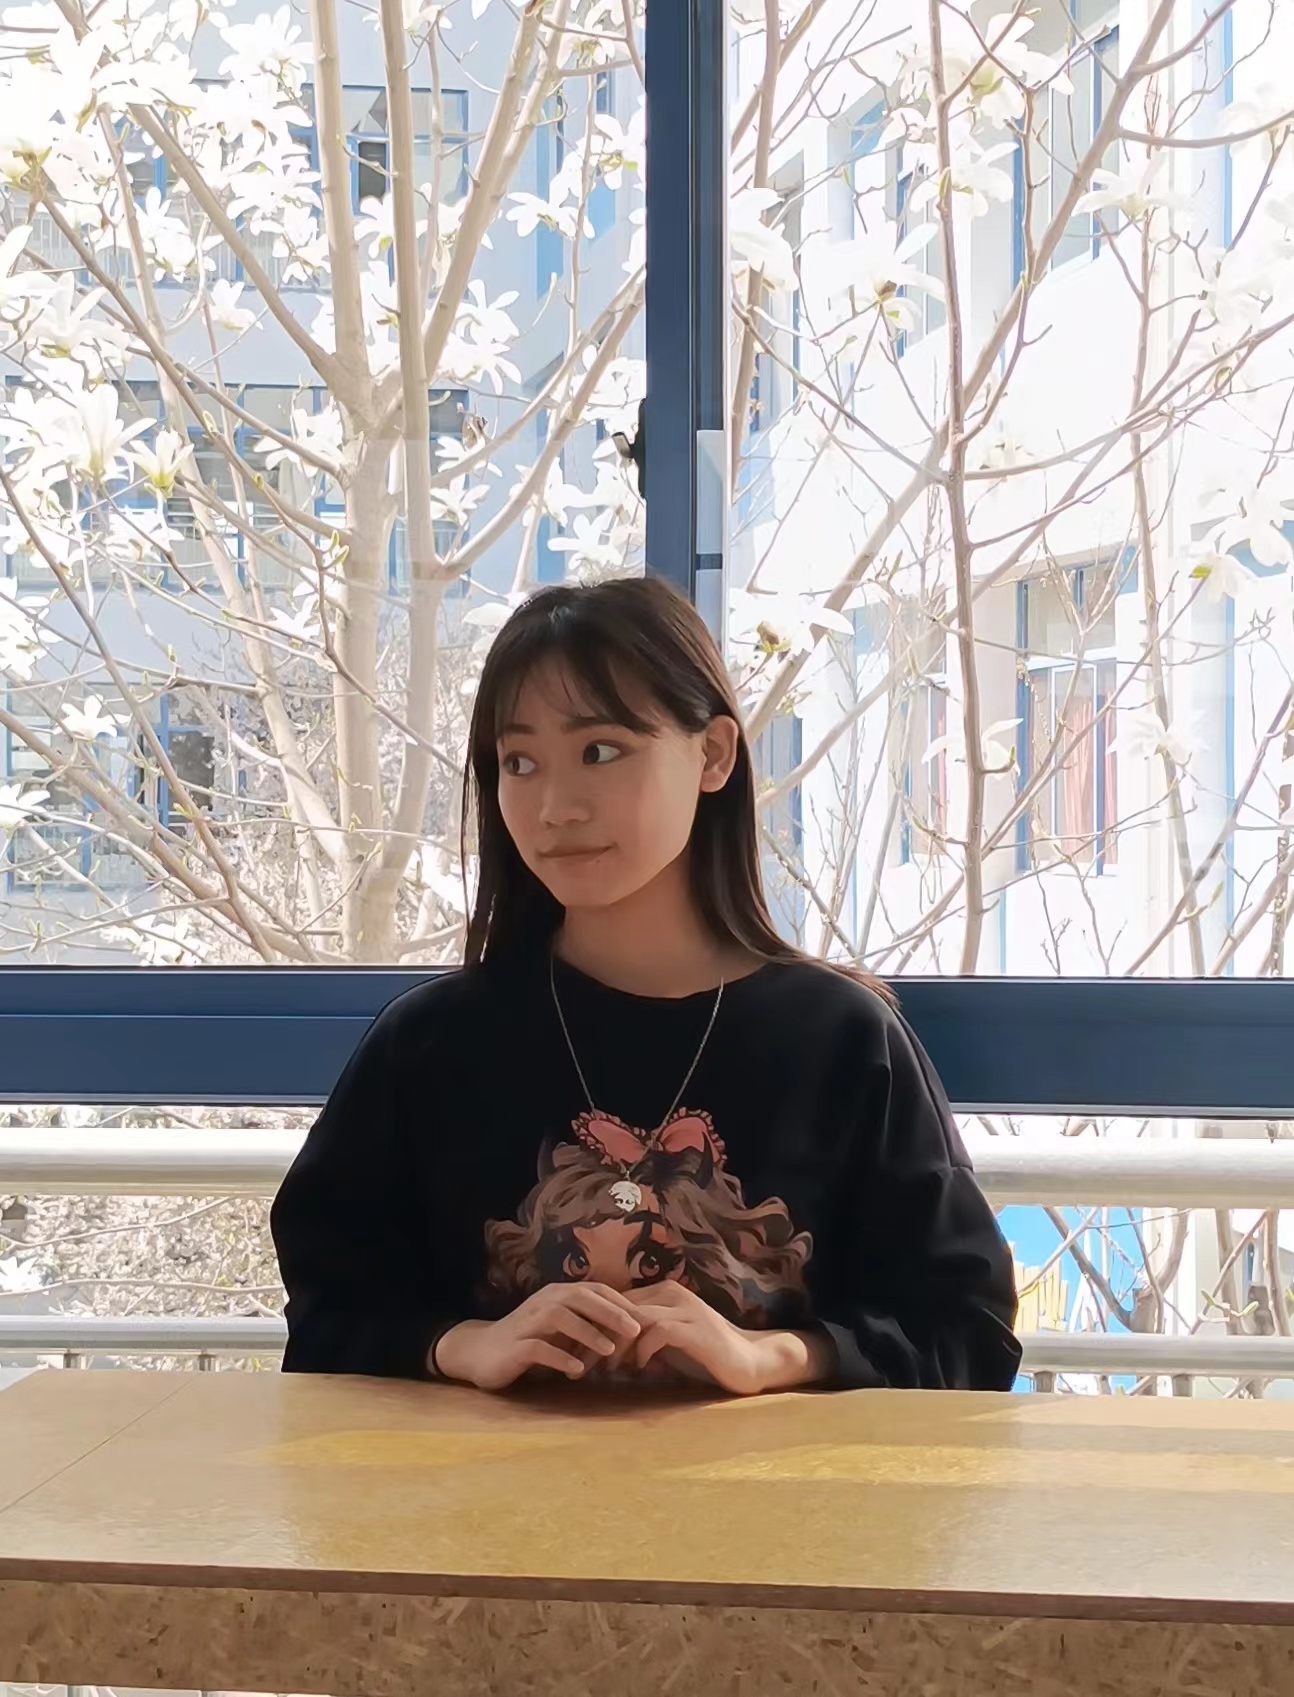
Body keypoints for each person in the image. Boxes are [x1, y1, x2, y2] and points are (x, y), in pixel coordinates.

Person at [271, 577, 1021, 1396]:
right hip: (487, 1482)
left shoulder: (845, 1041)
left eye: (600, 751)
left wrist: (770, 1356)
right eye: (519, 762)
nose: (554, 806)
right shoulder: (426, 1047)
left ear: (714, 755)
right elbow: (328, 1311)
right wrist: (465, 1344)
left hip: (771, 1482)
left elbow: (967, 1331)